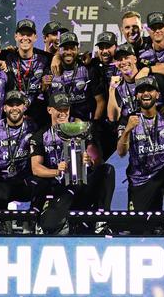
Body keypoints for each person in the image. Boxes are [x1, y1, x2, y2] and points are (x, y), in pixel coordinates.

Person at [116, 76, 164, 234]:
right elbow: (121, 152)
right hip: (141, 179)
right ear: (137, 96)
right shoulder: (128, 119)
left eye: (150, 90)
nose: (146, 94)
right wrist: (127, 130)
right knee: (139, 229)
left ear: (157, 94)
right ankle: (158, 223)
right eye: (141, 91)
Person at [29, 93, 115, 234]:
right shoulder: (40, 136)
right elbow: (36, 168)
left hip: (83, 186)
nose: (63, 113)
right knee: (49, 226)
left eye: (66, 109)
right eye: (59, 109)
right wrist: (57, 171)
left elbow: (97, 159)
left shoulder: (81, 128)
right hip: (59, 190)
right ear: (50, 110)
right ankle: (57, 221)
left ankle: (102, 220)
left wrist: (90, 159)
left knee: (107, 170)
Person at [107, 43, 164, 123]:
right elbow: (113, 118)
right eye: (119, 60)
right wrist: (111, 90)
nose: (123, 62)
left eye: (126, 58)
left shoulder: (153, 78)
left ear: (135, 59)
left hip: (159, 125)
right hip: (134, 128)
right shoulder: (117, 85)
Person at [3, 19, 50, 128]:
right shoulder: (6, 56)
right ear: (15, 36)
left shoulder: (45, 58)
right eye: (21, 34)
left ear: (35, 37)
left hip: (38, 118)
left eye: (29, 34)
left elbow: (62, 57)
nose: (25, 38)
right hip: (12, 116)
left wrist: (56, 58)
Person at [49, 32, 106, 123]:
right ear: (59, 50)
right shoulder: (52, 68)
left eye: (72, 48)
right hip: (60, 121)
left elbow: (100, 101)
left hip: (85, 122)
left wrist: (95, 125)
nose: (68, 52)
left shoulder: (88, 69)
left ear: (78, 49)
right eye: (65, 49)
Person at [88, 31, 120, 160]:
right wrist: (95, 125)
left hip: (123, 119)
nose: (104, 51)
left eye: (108, 47)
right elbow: (99, 100)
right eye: (101, 48)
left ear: (116, 47)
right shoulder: (94, 66)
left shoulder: (124, 63)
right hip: (104, 123)